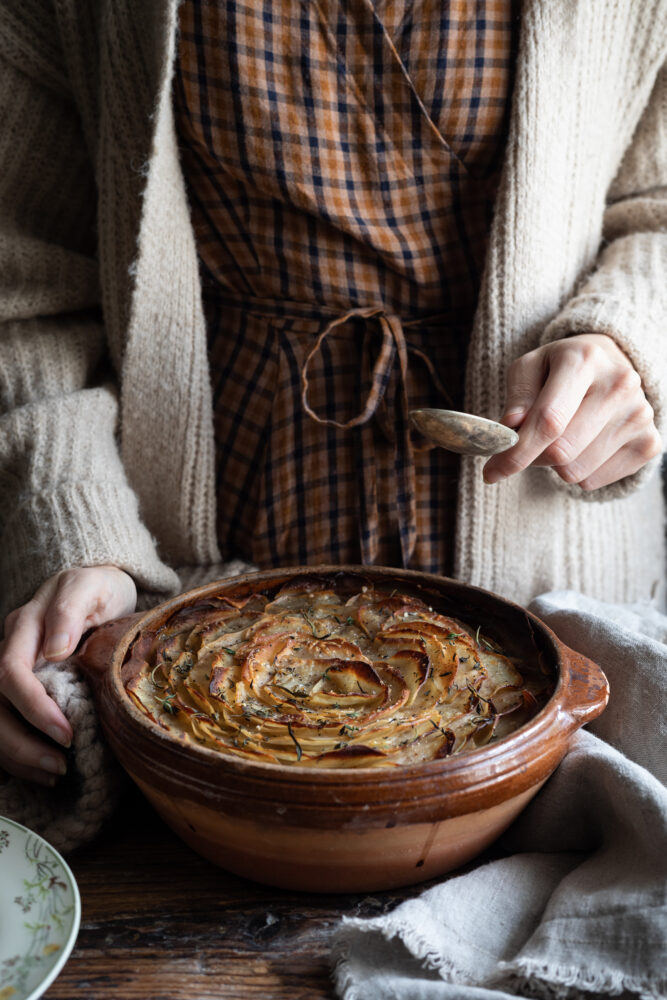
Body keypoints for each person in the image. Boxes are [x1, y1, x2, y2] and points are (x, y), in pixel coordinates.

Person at [0, 0, 665, 791]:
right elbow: (27, 285)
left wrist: (631, 338)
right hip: (180, 581)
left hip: (552, 579)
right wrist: (77, 528)